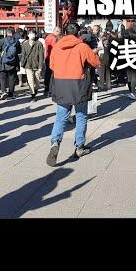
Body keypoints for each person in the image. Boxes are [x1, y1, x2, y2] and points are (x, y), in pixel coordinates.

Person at [46, 23, 100, 166]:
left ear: (64, 32)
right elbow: (96, 63)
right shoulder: (82, 46)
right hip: (78, 85)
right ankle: (79, 147)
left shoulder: (57, 46)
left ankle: (55, 143)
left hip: (61, 85)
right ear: (78, 34)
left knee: (60, 117)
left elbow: (51, 65)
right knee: (81, 116)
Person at [0, 28, 21, 100]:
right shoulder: (17, 41)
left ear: (7, 33)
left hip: (3, 63)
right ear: (13, 33)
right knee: (12, 78)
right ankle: (11, 94)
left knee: (3, 77)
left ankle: (3, 92)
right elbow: (19, 51)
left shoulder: (2, 40)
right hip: (13, 63)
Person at [20, 29, 45, 102]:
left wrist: (40, 66)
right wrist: (22, 64)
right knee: (30, 80)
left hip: (36, 64)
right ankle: (32, 95)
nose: (32, 35)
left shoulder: (39, 44)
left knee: (37, 82)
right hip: (28, 64)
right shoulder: (25, 44)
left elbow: (41, 56)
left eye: (33, 34)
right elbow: (23, 55)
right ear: (28, 35)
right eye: (30, 34)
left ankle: (35, 90)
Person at [43, 26, 62, 97]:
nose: (60, 34)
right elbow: (56, 48)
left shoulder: (48, 37)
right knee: (51, 74)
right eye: (60, 33)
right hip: (52, 58)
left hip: (48, 57)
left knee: (48, 73)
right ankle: (49, 90)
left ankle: (47, 89)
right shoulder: (53, 38)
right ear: (56, 31)